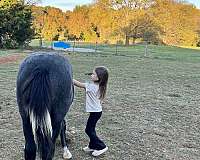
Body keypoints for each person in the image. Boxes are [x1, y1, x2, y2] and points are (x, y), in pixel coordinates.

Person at [73, 66, 109, 157]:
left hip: (95, 113)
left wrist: (68, 76)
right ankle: (92, 146)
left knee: (88, 130)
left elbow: (78, 84)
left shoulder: (92, 87)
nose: (91, 75)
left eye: (93, 74)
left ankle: (101, 146)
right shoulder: (100, 86)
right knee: (91, 129)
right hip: (96, 112)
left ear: (98, 78)